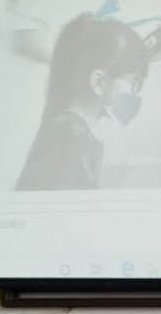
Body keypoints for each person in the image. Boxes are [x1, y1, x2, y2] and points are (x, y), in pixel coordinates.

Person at [15, 14, 148, 191]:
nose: (136, 93)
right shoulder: (71, 140)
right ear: (99, 82)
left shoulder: (65, 131)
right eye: (134, 82)